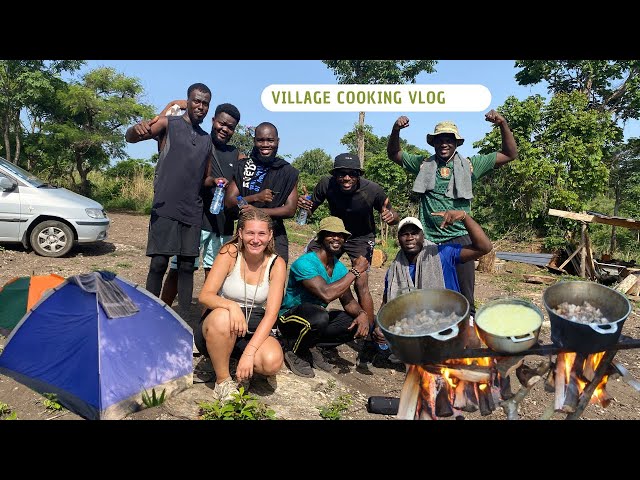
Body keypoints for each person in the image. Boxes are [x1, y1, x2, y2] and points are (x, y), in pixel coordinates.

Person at [386, 110, 517, 317]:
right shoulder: (423, 164)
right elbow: (394, 154)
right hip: (428, 241)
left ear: (456, 143)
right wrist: (395, 130)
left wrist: (502, 123)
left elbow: (510, 154)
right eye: (439, 140)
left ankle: (467, 333)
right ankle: (431, 333)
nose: (444, 144)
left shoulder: (471, 165)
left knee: (464, 294)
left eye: (449, 140)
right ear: (433, 143)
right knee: (428, 292)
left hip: (460, 240)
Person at [125, 83, 222, 322]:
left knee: (187, 267)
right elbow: (132, 137)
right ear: (187, 101)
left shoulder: (206, 140)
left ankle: (183, 318)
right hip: (166, 206)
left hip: (192, 210)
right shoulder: (169, 124)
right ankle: (147, 317)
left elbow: (204, 177)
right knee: (159, 263)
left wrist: (217, 181)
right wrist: (134, 130)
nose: (201, 106)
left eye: (205, 103)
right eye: (197, 101)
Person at [371, 212, 493, 361]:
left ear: (423, 236)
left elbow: (484, 247)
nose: (410, 238)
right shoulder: (395, 270)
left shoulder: (442, 254)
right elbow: (387, 305)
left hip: (450, 316)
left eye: (415, 233)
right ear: (398, 239)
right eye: (404, 234)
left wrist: (464, 217)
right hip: (417, 324)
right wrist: (380, 327)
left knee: (471, 338)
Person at [297, 152, 400, 329]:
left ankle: (368, 333)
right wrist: (305, 208)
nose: (346, 178)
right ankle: (303, 316)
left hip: (361, 236)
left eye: (352, 174)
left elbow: (393, 213)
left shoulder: (373, 190)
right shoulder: (326, 184)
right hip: (334, 233)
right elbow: (310, 209)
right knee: (310, 262)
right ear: (334, 175)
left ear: (359, 175)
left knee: (361, 281)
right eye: (341, 174)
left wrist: (392, 217)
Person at [158, 102, 245, 306]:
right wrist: (174, 104)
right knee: (178, 270)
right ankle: (162, 312)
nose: (225, 129)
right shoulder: (199, 141)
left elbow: (240, 191)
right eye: (221, 123)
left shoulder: (237, 156)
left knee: (214, 276)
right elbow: (162, 129)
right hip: (194, 220)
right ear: (214, 121)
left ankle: (207, 323)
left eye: (230, 126)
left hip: (221, 225)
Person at [196, 208, 286, 402]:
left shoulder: (276, 263)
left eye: (261, 233)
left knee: (271, 363)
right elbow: (205, 296)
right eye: (250, 233)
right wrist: (232, 306)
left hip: (254, 326)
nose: (256, 239)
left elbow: (271, 314)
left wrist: (250, 353)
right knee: (222, 318)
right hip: (220, 325)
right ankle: (223, 381)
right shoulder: (229, 253)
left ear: (270, 235)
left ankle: (238, 361)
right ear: (240, 233)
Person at [277, 216, 370, 378]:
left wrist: (362, 314)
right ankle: (294, 352)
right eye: (331, 234)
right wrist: (355, 271)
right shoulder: (305, 263)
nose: (336, 238)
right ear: (320, 237)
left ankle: (312, 346)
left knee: (352, 322)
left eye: (340, 235)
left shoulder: (339, 268)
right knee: (319, 315)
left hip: (315, 319)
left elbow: (348, 300)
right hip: (289, 318)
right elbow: (326, 294)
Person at [224, 122, 299, 264]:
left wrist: (258, 210)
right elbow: (230, 201)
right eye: (260, 140)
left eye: (270, 140)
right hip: (246, 234)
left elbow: (290, 210)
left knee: (275, 277)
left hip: (275, 236)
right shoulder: (243, 166)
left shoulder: (287, 171)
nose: (265, 144)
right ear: (254, 141)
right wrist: (254, 197)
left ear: (277, 141)